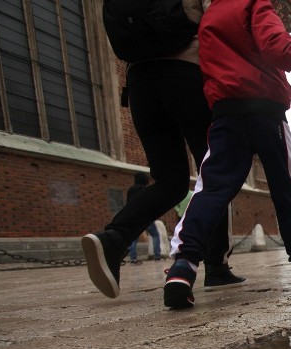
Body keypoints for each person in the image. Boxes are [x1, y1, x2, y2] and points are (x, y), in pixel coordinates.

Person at [163, 0, 291, 308]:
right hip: (265, 111)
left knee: (211, 189)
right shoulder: (254, 3)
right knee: (286, 190)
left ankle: (183, 266)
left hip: (225, 113)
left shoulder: (208, 18)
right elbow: (279, 49)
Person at [82, 0, 244, 300]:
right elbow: (219, 24)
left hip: (140, 85)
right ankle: (216, 265)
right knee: (215, 173)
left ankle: (114, 238)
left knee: (170, 181)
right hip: (187, 77)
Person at [124, 172, 161, 263]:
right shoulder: (146, 189)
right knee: (155, 235)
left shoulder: (131, 190)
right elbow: (151, 203)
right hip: (146, 216)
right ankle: (157, 256)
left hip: (134, 217)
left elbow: (128, 203)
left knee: (134, 238)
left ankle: (133, 258)